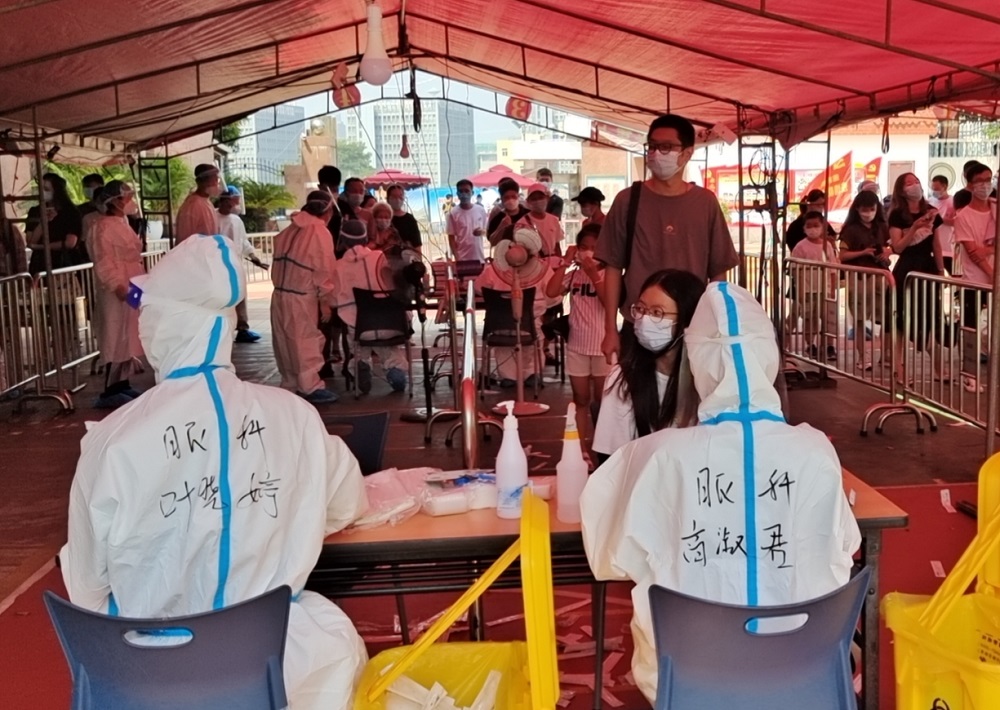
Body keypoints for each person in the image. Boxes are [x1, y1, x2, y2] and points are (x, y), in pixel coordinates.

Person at [60, 234, 369, 710]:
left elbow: (86, 585)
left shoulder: (114, 439)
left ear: (161, 324)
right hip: (280, 670)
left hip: (149, 681)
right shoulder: (296, 417)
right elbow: (347, 505)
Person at [581, 281, 860, 703]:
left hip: (689, 683)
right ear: (769, 356)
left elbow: (606, 555)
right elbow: (846, 545)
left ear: (698, 362)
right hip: (803, 676)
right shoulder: (815, 451)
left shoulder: (658, 456)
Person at [595, 114, 739, 366]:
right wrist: (610, 330)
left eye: (666, 147)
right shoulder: (627, 200)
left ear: (687, 153)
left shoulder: (705, 202)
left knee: (687, 391)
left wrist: (716, 326)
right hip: (638, 322)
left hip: (690, 325)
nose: (656, 154)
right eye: (652, 146)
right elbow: (613, 268)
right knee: (638, 390)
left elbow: (718, 272)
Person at [592, 269, 705, 463]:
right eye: (641, 309)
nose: (644, 320)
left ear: (688, 321)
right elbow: (612, 461)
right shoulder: (623, 379)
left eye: (657, 313)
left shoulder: (710, 380)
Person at [545, 223, 608, 457]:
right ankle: (580, 449)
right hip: (577, 345)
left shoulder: (610, 274)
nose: (588, 252)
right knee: (581, 399)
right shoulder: (573, 276)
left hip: (603, 346)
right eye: (583, 247)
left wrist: (594, 275)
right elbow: (551, 291)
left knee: (603, 401)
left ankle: (603, 447)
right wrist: (565, 262)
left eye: (594, 247)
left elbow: (609, 302)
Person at [270, 191, 339, 404]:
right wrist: (326, 301)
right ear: (327, 211)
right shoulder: (319, 232)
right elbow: (324, 269)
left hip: (280, 295)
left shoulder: (290, 229)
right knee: (304, 341)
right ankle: (309, 386)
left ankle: (291, 382)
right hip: (301, 296)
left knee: (284, 341)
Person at [331, 219, 409, 394]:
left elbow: (334, 301)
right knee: (389, 349)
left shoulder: (338, 266)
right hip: (391, 324)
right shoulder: (379, 257)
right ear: (366, 238)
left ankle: (360, 363)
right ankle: (395, 369)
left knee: (358, 345)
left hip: (360, 327)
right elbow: (395, 284)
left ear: (342, 241)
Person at [88, 181, 145, 409]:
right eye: (126, 197)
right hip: (117, 287)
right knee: (115, 333)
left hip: (134, 281)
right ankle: (109, 390)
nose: (130, 201)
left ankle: (122, 383)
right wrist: (118, 286)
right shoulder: (101, 227)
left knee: (129, 333)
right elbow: (103, 261)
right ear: (114, 201)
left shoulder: (123, 222)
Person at [887, 172, 947, 384]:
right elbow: (897, 247)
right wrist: (914, 228)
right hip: (906, 268)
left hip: (927, 267)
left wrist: (941, 270)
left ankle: (939, 368)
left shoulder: (931, 211)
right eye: (908, 183)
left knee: (931, 316)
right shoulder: (897, 215)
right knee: (901, 320)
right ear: (901, 190)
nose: (914, 185)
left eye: (916, 181)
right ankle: (899, 369)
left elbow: (936, 244)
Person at [476, 227, 555, 386]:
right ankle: (532, 373)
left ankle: (509, 376)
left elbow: (479, 288)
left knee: (505, 345)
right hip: (531, 326)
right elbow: (554, 297)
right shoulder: (543, 270)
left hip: (498, 327)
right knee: (535, 335)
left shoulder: (493, 270)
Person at [953, 162, 996, 393]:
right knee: (971, 328)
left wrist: (987, 249)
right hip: (974, 281)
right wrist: (992, 275)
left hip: (994, 278)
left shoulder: (996, 209)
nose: (985, 185)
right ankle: (969, 374)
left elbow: (982, 250)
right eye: (980, 181)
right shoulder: (963, 216)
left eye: (988, 179)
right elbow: (973, 253)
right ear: (970, 184)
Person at [839, 190, 892, 370]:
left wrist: (886, 254)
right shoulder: (850, 230)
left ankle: (885, 354)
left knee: (887, 318)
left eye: (872, 209)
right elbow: (843, 256)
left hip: (881, 277)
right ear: (857, 209)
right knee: (860, 319)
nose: (868, 213)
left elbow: (891, 246)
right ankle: (863, 356)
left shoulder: (882, 227)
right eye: (864, 209)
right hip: (859, 279)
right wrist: (863, 252)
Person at [216, 186, 268, 344]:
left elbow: (242, 241)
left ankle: (243, 328)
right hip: (218, 265)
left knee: (240, 295)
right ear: (225, 201)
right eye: (234, 201)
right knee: (222, 297)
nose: (236, 205)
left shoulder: (236, 220)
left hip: (235, 263)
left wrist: (253, 256)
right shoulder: (213, 217)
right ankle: (222, 328)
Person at [791, 211, 839, 361]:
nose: (812, 229)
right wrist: (800, 290)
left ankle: (829, 345)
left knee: (828, 319)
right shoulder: (800, 247)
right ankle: (810, 344)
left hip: (825, 289)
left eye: (816, 225)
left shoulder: (827, 246)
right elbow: (795, 270)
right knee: (809, 319)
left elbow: (833, 269)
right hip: (808, 290)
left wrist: (833, 289)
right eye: (809, 226)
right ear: (804, 228)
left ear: (823, 226)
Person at [27, 172, 83, 274]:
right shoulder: (35, 211)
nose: (42, 192)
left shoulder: (71, 212)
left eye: (46, 189)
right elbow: (31, 241)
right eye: (40, 188)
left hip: (64, 263)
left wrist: (41, 247)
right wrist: (43, 222)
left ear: (57, 191)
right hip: (40, 263)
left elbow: (70, 243)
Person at [175, 163, 222, 244]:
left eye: (216, 180)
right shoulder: (192, 205)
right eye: (214, 180)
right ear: (202, 182)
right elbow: (184, 241)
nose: (216, 183)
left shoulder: (207, 202)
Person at [516, 183, 564, 257]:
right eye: (534, 199)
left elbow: (557, 245)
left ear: (547, 199)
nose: (538, 201)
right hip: (533, 262)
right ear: (528, 202)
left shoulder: (554, 220)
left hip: (552, 261)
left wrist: (559, 260)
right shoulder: (521, 224)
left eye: (541, 197)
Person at [446, 179, 488, 264]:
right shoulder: (453, 213)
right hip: (462, 259)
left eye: (467, 191)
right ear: (457, 194)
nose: (464, 194)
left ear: (472, 193)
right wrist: (457, 257)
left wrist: (482, 232)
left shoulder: (480, 210)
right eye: (461, 191)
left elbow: (486, 231)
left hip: (479, 258)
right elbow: (451, 237)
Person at [337, 177, 377, 257]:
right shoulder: (338, 213)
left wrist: (361, 251)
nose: (358, 194)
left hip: (362, 256)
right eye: (354, 191)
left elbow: (373, 241)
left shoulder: (368, 215)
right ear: (346, 193)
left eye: (361, 191)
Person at [930, 174, 956, 273]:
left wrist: (939, 219)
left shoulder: (953, 202)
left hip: (949, 248)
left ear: (944, 187)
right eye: (933, 189)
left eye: (936, 189)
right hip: (934, 248)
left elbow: (957, 222)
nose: (934, 191)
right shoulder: (930, 202)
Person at [386, 184, 423, 253]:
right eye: (394, 196)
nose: (397, 199)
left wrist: (418, 257)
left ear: (404, 198)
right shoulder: (384, 218)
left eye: (400, 196)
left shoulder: (409, 219)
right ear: (387, 199)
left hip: (407, 256)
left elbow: (417, 244)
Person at [318, 165, 343, 247]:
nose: (331, 193)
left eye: (335, 189)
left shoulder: (343, 207)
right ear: (320, 187)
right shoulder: (313, 208)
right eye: (327, 189)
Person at [0, 210, 27, 277]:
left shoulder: (12, 230)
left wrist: (21, 278)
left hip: (9, 277)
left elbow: (21, 259)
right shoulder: (13, 229)